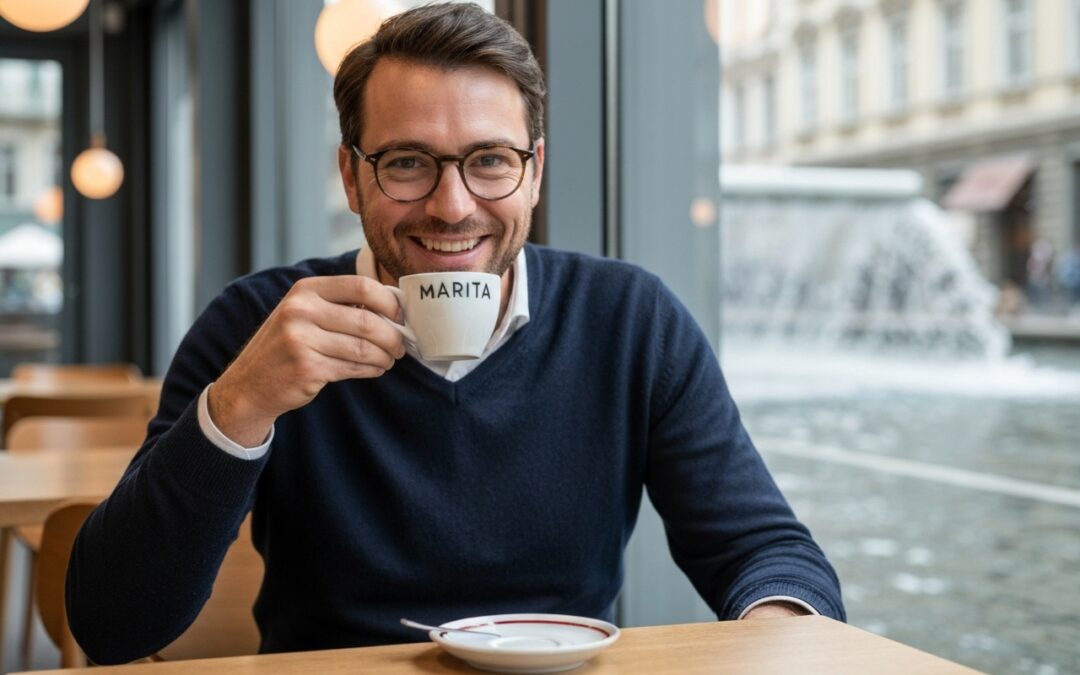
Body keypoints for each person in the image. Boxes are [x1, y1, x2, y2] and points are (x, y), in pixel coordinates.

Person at [67, 3, 844, 664]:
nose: (452, 204)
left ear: (534, 172)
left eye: (490, 161)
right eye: (407, 162)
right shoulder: (259, 324)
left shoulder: (631, 319)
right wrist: (241, 404)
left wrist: (776, 642)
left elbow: (769, 553)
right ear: (351, 174)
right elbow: (111, 623)